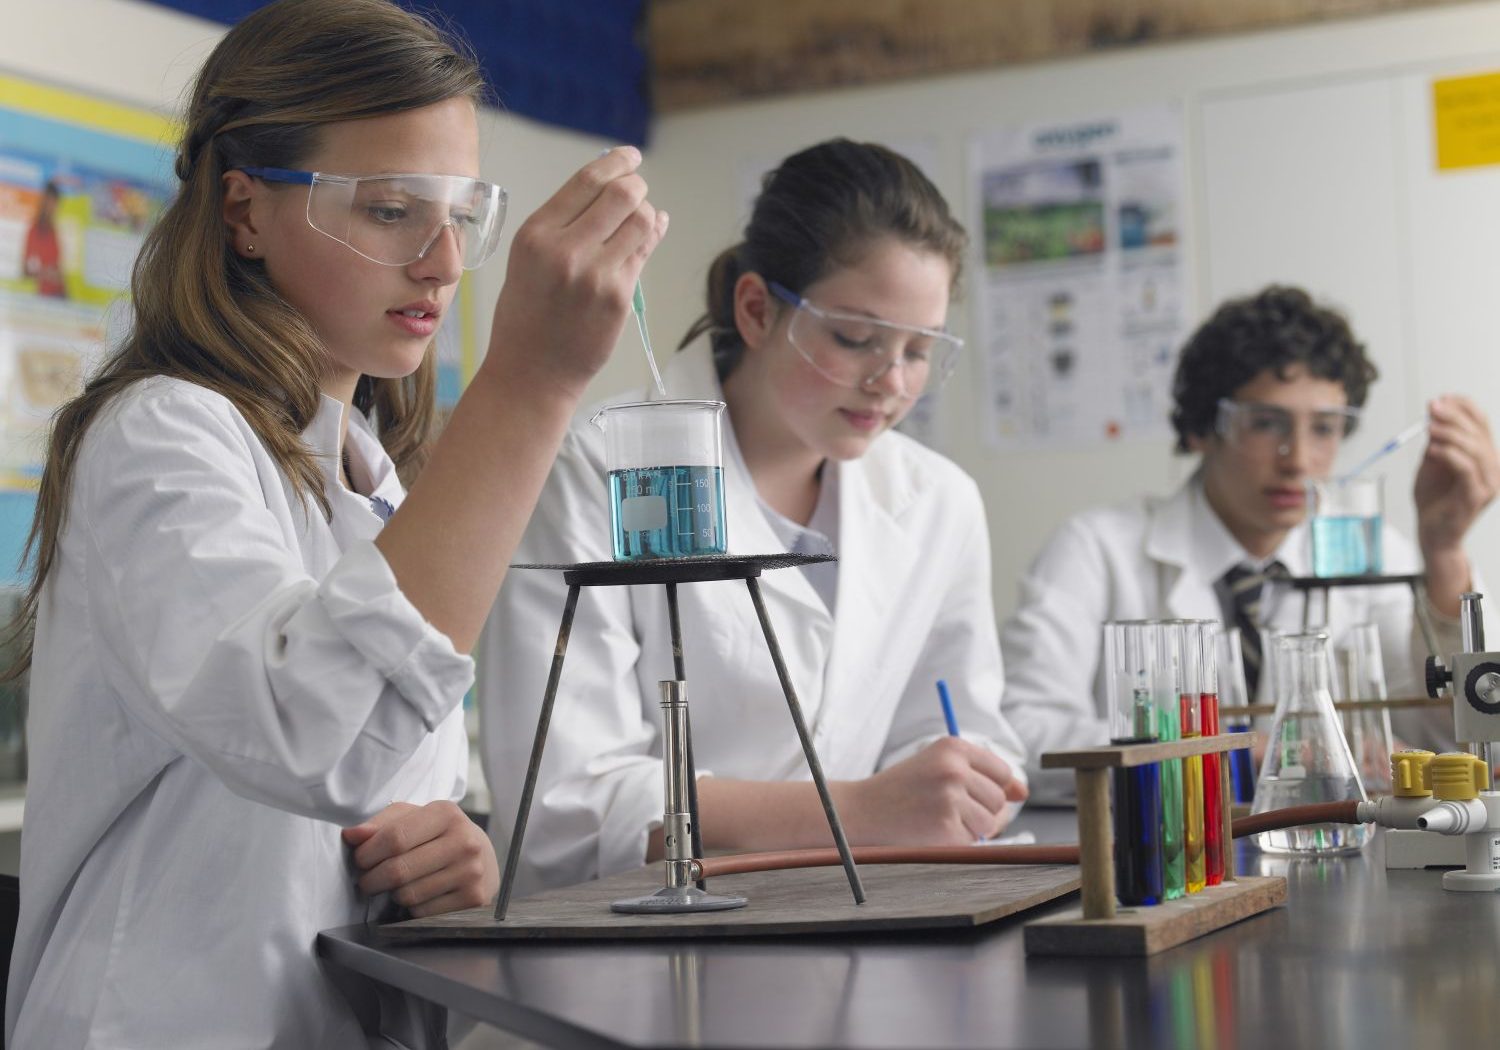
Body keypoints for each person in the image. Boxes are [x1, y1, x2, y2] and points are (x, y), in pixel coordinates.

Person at [4, 1, 665, 1045]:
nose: (445, 263)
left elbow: (375, 777)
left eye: (461, 214)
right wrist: (531, 385)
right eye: (392, 210)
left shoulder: (373, 474)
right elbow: (317, 739)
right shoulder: (160, 435)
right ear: (245, 212)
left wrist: (452, 863)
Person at [481, 139, 1029, 897]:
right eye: (856, 338)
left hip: (871, 920)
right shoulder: (596, 467)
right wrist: (859, 812)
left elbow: (958, 731)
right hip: (646, 953)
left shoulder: (939, 501)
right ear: (758, 310)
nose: (891, 382)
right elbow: (564, 806)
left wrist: (959, 785)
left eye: (919, 350)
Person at [1000, 285, 1500, 798]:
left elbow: (1456, 739)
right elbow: (1024, 735)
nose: (1299, 459)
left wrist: (1443, 549)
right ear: (1202, 427)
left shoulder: (1376, 556)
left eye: (1325, 428)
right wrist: (1239, 750)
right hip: (1161, 860)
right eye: (1265, 424)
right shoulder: (1096, 552)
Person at [21, 180, 65, 298]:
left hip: (57, 295)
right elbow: (25, 270)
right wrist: (46, 273)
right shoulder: (34, 231)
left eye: (54, 203)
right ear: (43, 202)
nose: (52, 208)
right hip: (40, 297)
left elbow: (58, 271)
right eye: (49, 202)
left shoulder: (54, 232)